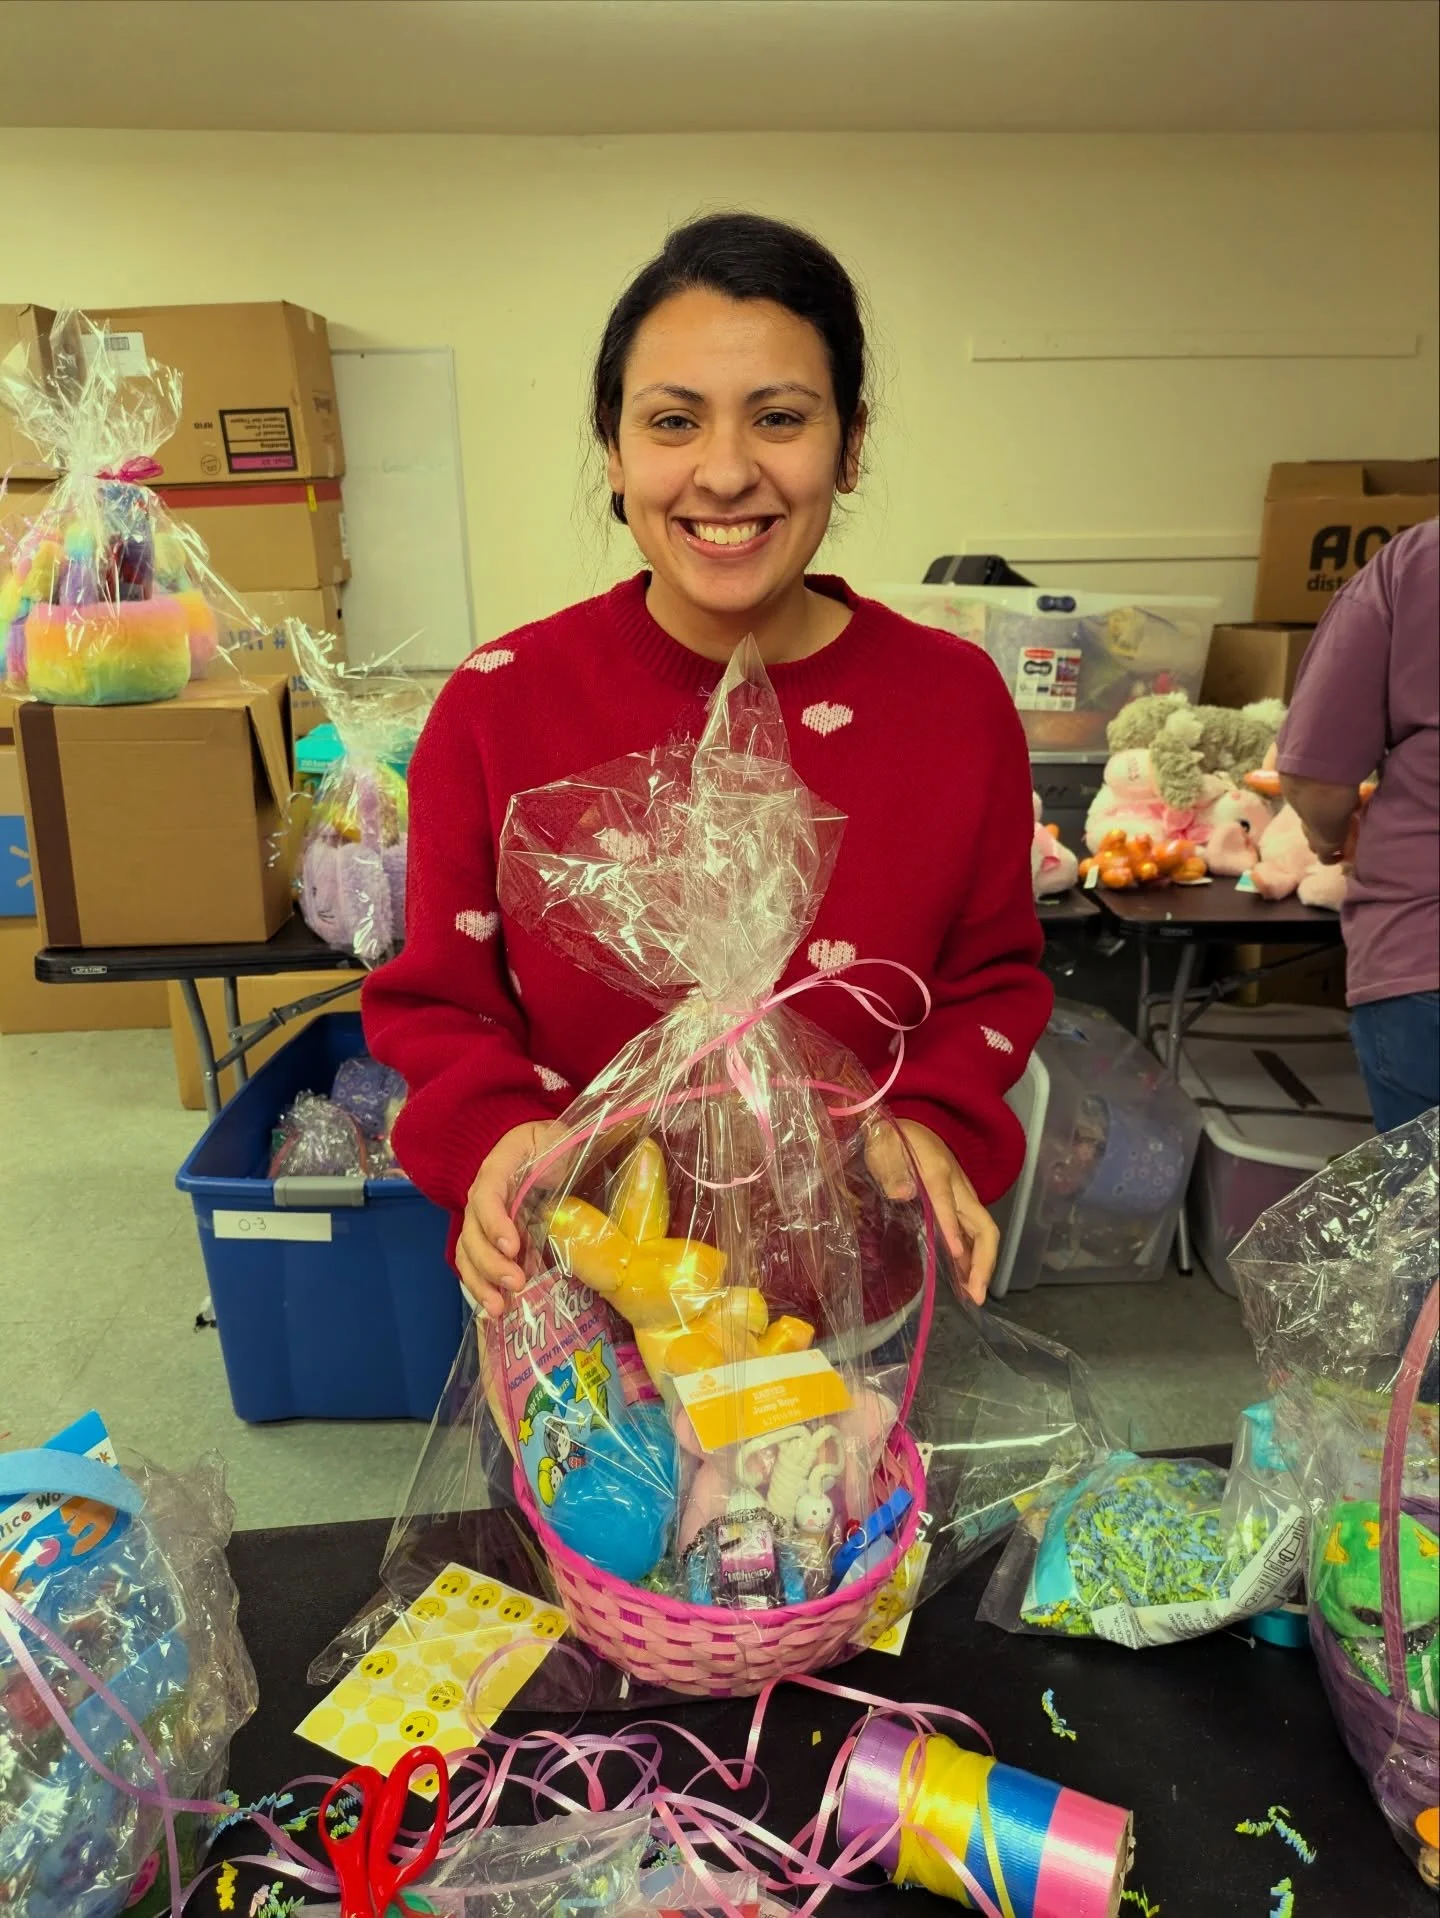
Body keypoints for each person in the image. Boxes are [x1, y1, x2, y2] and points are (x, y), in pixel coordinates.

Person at [363, 211, 1052, 1316]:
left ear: (851, 442)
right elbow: (441, 1001)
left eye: (779, 417)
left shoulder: (953, 701)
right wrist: (493, 1131)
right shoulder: (499, 702)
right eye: (674, 421)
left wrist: (932, 1115)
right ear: (614, 446)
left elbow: (991, 981)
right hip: (575, 1303)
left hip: (849, 1304)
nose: (725, 472)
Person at [1276, 518, 1439, 1132]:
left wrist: (1327, 839)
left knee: (1427, 1222)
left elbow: (1314, 777)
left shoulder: (1416, 562)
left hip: (1423, 949)